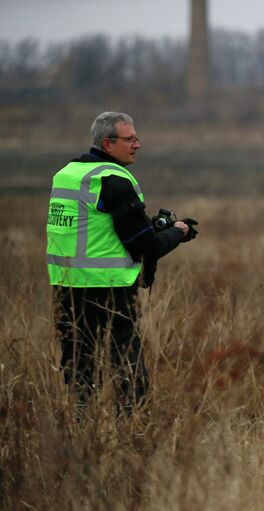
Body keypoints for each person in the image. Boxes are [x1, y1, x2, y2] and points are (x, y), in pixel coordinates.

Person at [46, 111, 198, 414]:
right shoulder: (113, 180)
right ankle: (131, 428)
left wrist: (151, 227)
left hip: (67, 287)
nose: (137, 145)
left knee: (79, 367)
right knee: (127, 365)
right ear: (108, 143)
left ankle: (81, 428)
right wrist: (177, 232)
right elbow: (147, 246)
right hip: (109, 289)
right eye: (130, 139)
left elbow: (94, 230)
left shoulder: (67, 174)